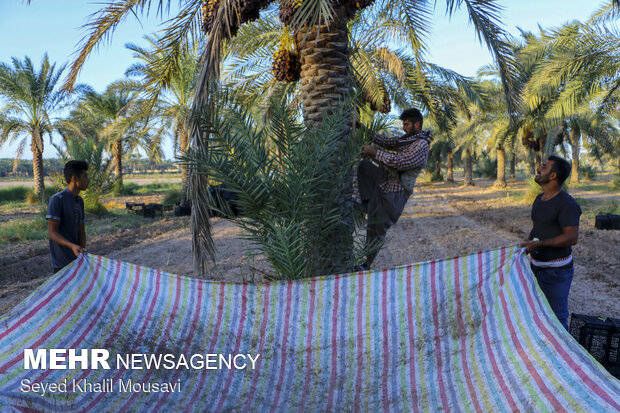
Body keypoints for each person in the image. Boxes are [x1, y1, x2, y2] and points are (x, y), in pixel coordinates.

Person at [356, 108, 431, 270]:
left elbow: (399, 162)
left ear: (417, 124)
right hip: (384, 181)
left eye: (406, 124)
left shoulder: (421, 145)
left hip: (395, 193)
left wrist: (374, 152)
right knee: (365, 167)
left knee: (376, 229)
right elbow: (388, 142)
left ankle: (366, 264)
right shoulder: (408, 140)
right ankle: (367, 202)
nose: (403, 128)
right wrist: (360, 127)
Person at [520, 155, 581, 330]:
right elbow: (540, 227)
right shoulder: (540, 199)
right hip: (536, 267)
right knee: (535, 310)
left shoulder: (566, 204)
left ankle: (562, 355)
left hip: (556, 272)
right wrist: (528, 243)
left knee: (556, 317)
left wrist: (539, 245)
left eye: (544, 167)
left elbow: (571, 237)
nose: (539, 169)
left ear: (553, 175)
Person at [46, 160, 90, 273]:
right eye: (85, 176)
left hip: (77, 260)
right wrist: (72, 246)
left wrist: (82, 251)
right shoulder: (57, 200)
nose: (88, 180)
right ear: (74, 179)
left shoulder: (79, 201)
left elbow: (81, 230)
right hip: (62, 262)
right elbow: (52, 233)